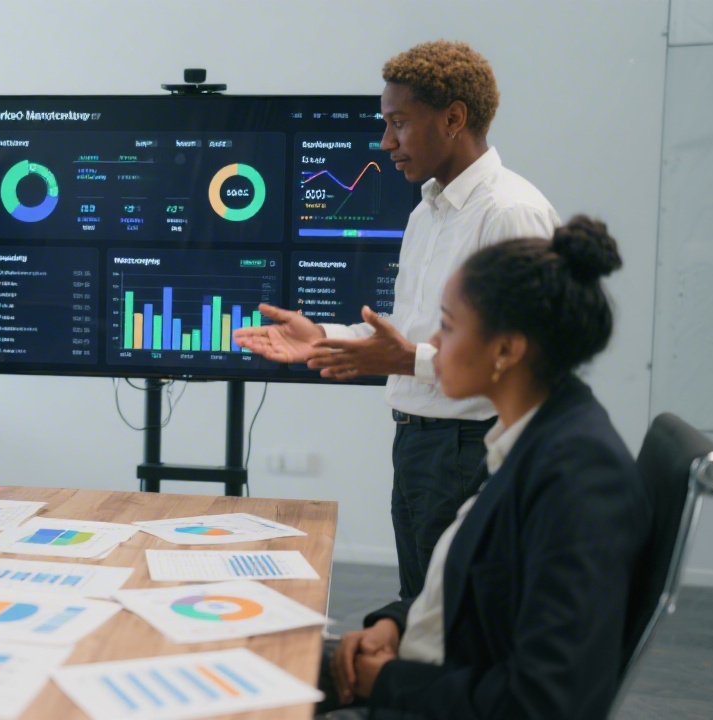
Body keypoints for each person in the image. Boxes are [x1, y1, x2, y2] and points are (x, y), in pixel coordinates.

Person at [235, 41, 560, 599]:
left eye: (399, 124)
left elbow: (527, 358)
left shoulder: (511, 213)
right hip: (418, 445)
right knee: (421, 608)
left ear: (454, 118)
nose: (386, 142)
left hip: (471, 448)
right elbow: (406, 331)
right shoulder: (425, 214)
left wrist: (405, 359)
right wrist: (326, 337)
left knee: (456, 621)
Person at [318, 217, 649, 719]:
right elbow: (469, 580)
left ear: (507, 349)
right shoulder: (527, 436)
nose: (433, 339)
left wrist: (387, 680)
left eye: (448, 325)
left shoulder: (578, 479)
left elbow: (545, 702)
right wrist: (394, 623)